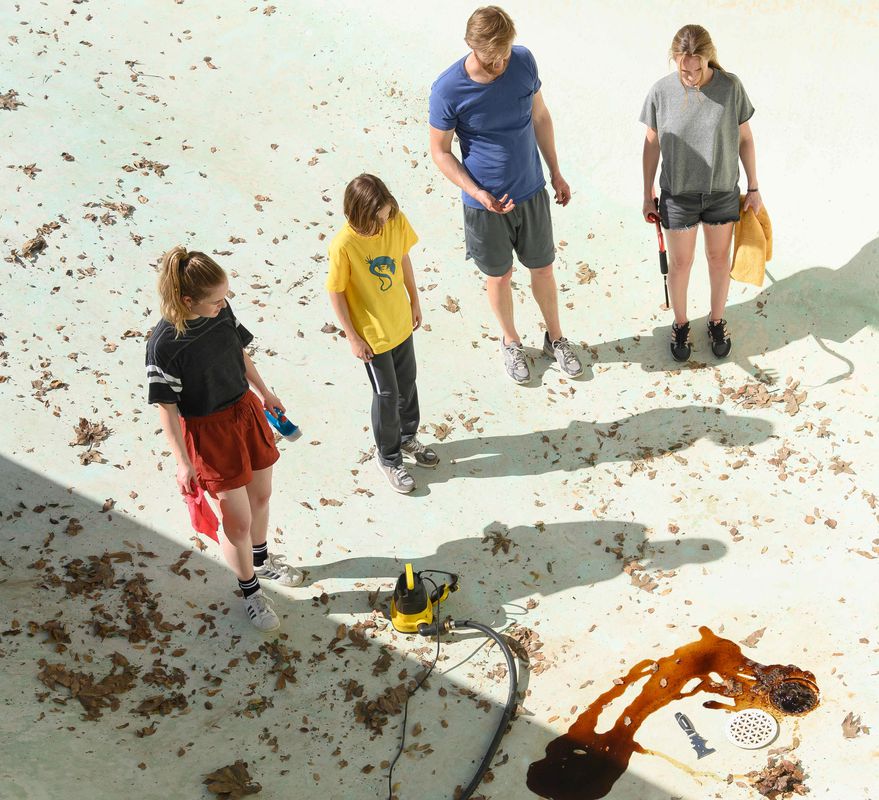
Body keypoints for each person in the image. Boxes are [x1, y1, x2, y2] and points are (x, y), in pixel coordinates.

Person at [147, 247, 303, 632]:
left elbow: (240, 353)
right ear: (188, 301)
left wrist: (264, 391)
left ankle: (263, 561)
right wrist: (183, 462)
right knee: (236, 523)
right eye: (216, 300)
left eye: (225, 296)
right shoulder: (163, 345)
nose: (224, 304)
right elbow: (166, 408)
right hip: (209, 431)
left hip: (246, 413)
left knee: (262, 497)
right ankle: (251, 593)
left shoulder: (222, 312)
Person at [428, 5, 582, 383]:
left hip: (531, 191)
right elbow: (440, 152)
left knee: (543, 268)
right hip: (485, 206)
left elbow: (540, 116)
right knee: (499, 276)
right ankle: (511, 342)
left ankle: (555, 338)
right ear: (471, 45)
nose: (500, 63)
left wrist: (556, 171)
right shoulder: (447, 89)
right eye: (492, 57)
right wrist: (477, 192)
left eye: (505, 53)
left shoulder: (524, 62)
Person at [640, 24, 761, 362]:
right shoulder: (661, 92)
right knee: (680, 263)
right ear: (674, 61)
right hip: (677, 195)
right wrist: (647, 192)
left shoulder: (730, 87)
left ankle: (716, 320)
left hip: (722, 190)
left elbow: (746, 138)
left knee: (718, 259)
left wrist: (753, 187)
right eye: (684, 69)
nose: (691, 76)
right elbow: (652, 144)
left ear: (709, 59)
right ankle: (681, 324)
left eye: (698, 68)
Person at [327, 173, 439, 495]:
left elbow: (403, 257)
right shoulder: (344, 245)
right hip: (371, 334)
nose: (383, 225)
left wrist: (415, 300)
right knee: (386, 394)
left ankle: (406, 438)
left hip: (399, 322)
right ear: (358, 215)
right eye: (377, 220)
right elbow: (335, 291)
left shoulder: (394, 220)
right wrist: (352, 336)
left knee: (408, 382)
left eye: (386, 217)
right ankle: (388, 457)